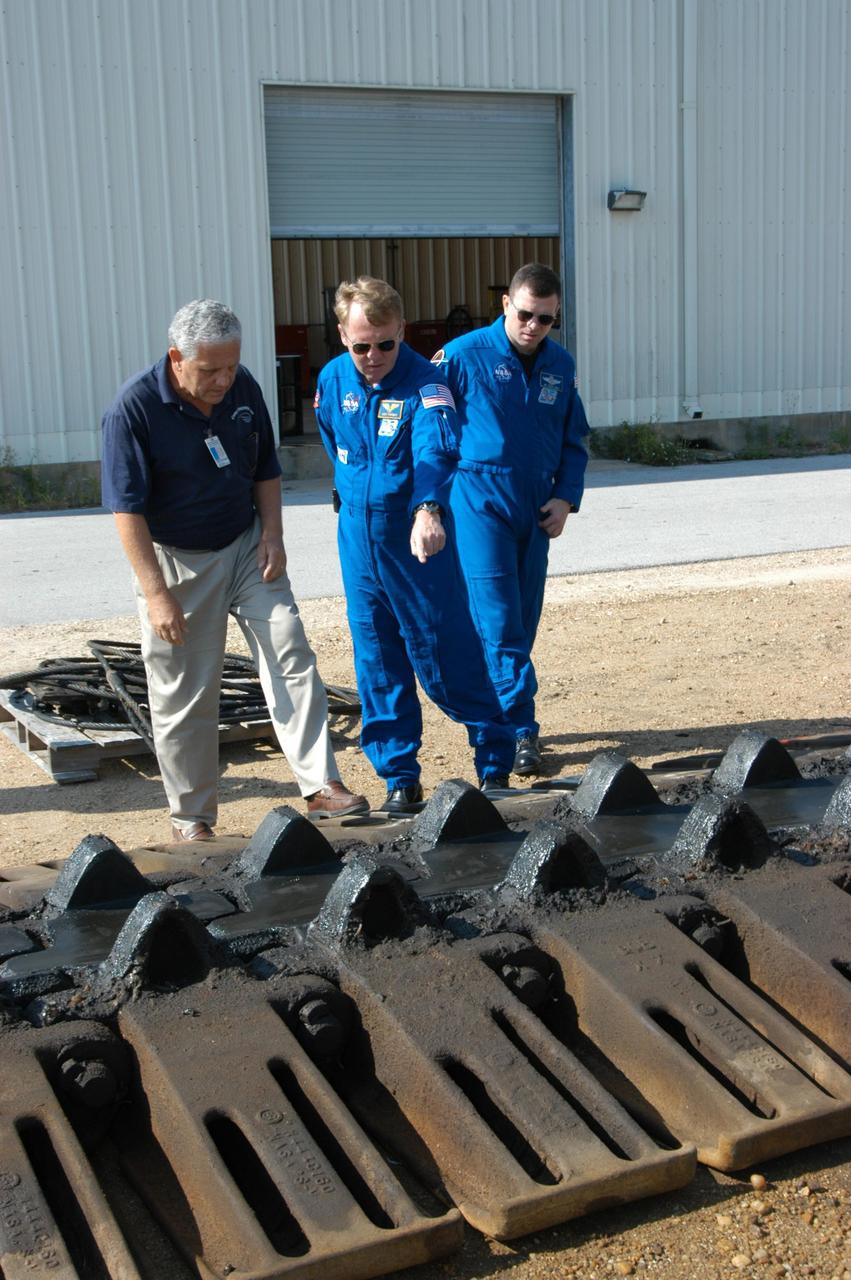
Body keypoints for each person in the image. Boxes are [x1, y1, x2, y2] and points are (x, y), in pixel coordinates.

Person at [100, 299, 367, 840]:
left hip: (246, 543)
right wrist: (157, 595)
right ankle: (192, 819)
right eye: (210, 370)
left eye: (231, 366)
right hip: (176, 561)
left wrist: (272, 535)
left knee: (291, 648)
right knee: (184, 693)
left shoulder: (242, 386)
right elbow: (126, 510)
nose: (225, 379)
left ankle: (321, 787)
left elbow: (266, 468)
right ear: (176, 358)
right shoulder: (133, 409)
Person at [313, 276, 515, 814]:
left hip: (415, 542)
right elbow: (335, 444)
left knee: (444, 652)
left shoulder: (427, 386)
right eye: (361, 346)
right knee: (376, 659)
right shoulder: (333, 380)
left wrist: (427, 509)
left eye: (385, 343)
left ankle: (495, 761)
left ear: (401, 331)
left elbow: (435, 451)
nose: (374, 356)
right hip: (357, 539)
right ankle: (399, 777)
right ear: (341, 336)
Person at [433, 263, 590, 777]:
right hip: (479, 500)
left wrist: (566, 498)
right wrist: (428, 500)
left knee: (522, 619)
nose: (533, 326)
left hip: (536, 508)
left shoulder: (560, 366)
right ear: (506, 304)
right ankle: (520, 728)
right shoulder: (460, 357)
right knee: (497, 619)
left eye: (546, 319)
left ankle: (497, 711)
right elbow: (428, 430)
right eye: (525, 314)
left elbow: (574, 439)